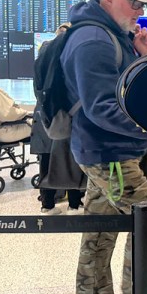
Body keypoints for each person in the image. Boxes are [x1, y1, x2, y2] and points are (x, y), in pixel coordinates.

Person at [61, 0, 147, 294]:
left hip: (107, 150)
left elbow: (126, 89)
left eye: (143, 5)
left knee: (101, 226)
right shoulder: (93, 40)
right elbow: (102, 106)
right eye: (133, 2)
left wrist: (145, 56)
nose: (138, 12)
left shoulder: (112, 35)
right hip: (108, 154)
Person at [32, 23, 85, 215]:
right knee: (70, 160)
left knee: (46, 162)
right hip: (63, 119)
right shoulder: (65, 63)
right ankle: (74, 203)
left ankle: (48, 205)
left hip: (44, 117)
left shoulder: (42, 60)